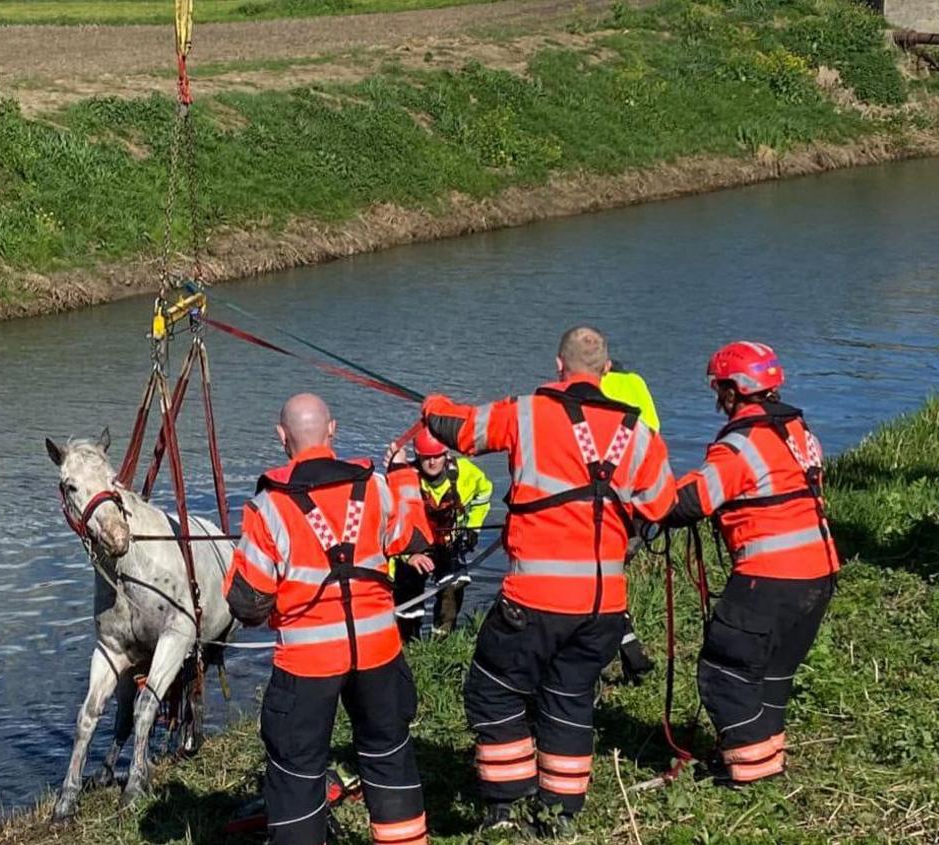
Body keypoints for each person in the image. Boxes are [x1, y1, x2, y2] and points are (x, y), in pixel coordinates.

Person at [420, 326, 677, 834]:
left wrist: (432, 403)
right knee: (570, 697)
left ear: (558, 367)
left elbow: (461, 429)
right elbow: (661, 505)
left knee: (492, 691)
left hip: (536, 599)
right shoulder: (636, 432)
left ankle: (508, 802)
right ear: (607, 372)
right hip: (605, 606)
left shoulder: (527, 413)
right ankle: (560, 814)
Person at [225, 393, 432, 845]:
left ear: (282, 437)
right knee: (388, 755)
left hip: (308, 665)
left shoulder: (268, 507)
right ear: (332, 430)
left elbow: (248, 603)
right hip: (379, 653)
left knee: (297, 771)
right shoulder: (375, 486)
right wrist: (402, 475)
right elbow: (413, 534)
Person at [663, 342, 838, 786]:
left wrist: (643, 502)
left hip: (770, 577)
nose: (717, 397)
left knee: (726, 670)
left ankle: (752, 773)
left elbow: (692, 500)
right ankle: (768, 755)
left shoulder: (742, 442)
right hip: (819, 572)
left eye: (719, 388)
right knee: (773, 672)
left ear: (733, 389)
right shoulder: (798, 430)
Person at [387, 427, 493, 640]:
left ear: (446, 454)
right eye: (426, 458)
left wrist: (472, 528)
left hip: (448, 543)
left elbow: (484, 494)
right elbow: (391, 527)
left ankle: (441, 642)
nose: (432, 463)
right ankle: (409, 645)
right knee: (408, 603)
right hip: (413, 550)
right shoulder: (405, 479)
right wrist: (408, 556)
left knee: (454, 586)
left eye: (437, 456)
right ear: (417, 456)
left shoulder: (466, 473)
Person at [601, 360, 661, 684]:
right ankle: (631, 653)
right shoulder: (638, 386)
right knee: (610, 582)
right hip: (638, 507)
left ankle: (615, 657)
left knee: (594, 588)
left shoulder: (596, 389)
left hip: (604, 509)